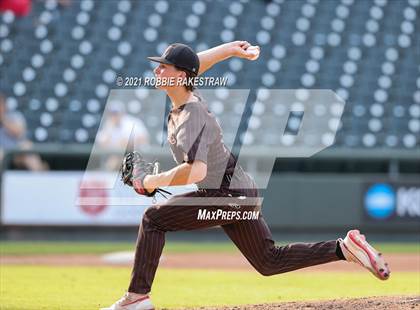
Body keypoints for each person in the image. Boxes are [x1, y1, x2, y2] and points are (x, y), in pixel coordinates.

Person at [102, 42, 390, 310]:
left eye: (164, 66)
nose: (157, 70)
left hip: (226, 195)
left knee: (154, 219)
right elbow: (196, 63)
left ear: (180, 76)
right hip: (239, 191)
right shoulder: (186, 96)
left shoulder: (191, 116)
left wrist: (150, 181)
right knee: (268, 261)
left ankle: (136, 298)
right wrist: (230, 49)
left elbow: (197, 171)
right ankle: (344, 248)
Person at [96, 100, 150, 170]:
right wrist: (110, 129)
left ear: (122, 113)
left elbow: (143, 139)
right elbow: (102, 144)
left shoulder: (132, 122)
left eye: (116, 113)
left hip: (135, 155)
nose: (114, 116)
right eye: (112, 114)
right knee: (113, 161)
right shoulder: (108, 125)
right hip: (114, 156)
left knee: (116, 159)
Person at [0, 93, 48, 171]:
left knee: (27, 146)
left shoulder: (14, 116)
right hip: (2, 151)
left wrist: (3, 119)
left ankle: (40, 175)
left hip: (16, 150)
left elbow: (19, 133)